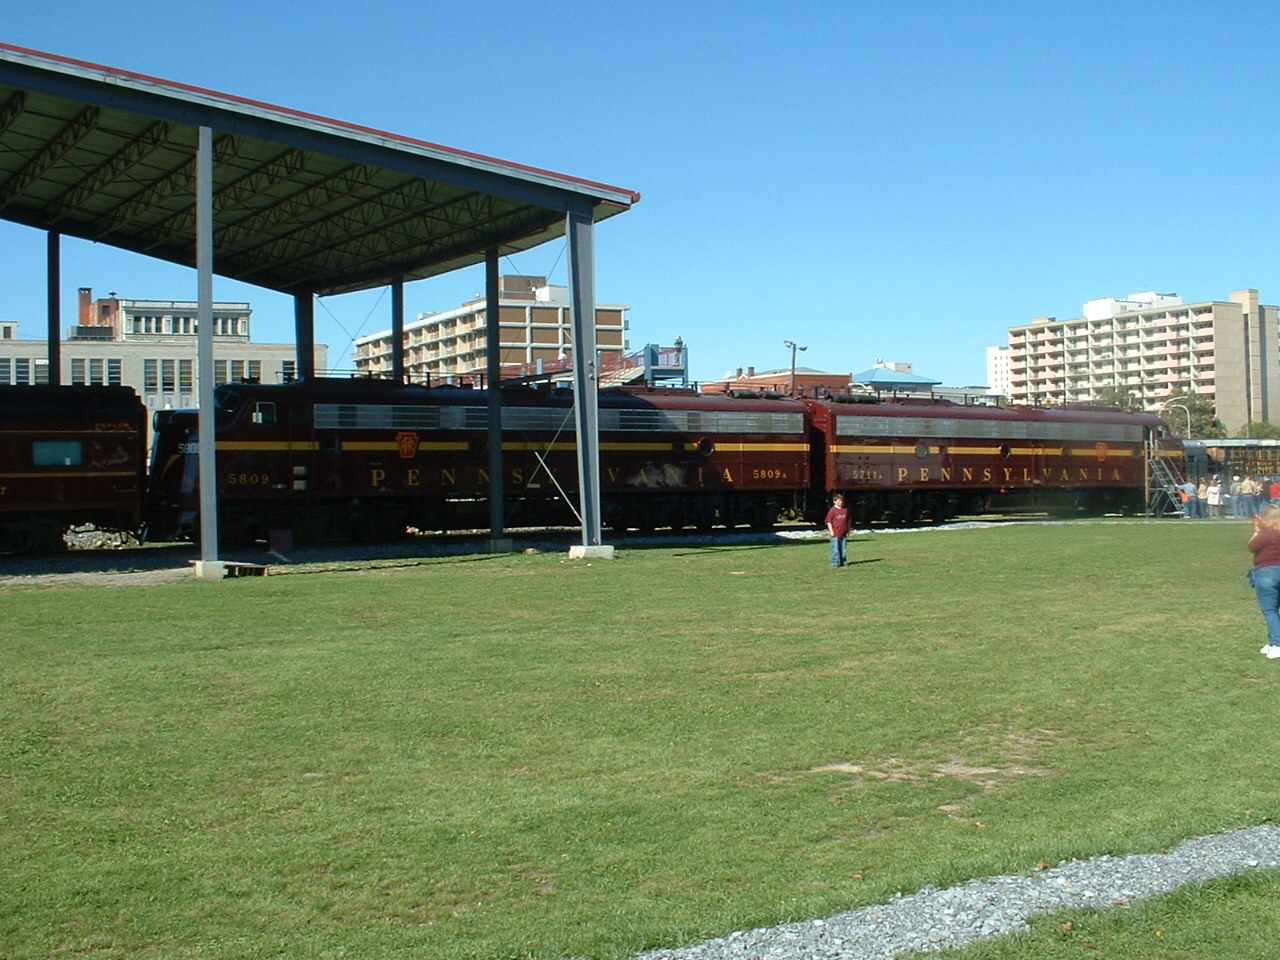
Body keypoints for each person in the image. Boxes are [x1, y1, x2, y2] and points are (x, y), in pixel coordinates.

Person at [1250, 506, 1280, 658]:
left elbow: (1252, 546)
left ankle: (1277, 644)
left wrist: (1257, 530)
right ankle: (1272, 641)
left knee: (1270, 610)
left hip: (1267, 572)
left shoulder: (1267, 533)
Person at [825, 493, 850, 567]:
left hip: (843, 533)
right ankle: (835, 562)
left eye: (841, 501)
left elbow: (848, 521)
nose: (841, 502)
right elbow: (829, 521)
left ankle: (844, 562)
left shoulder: (845, 510)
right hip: (835, 533)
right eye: (839, 501)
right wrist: (831, 531)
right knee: (835, 549)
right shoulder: (832, 511)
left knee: (843, 550)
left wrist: (848, 530)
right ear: (834, 501)